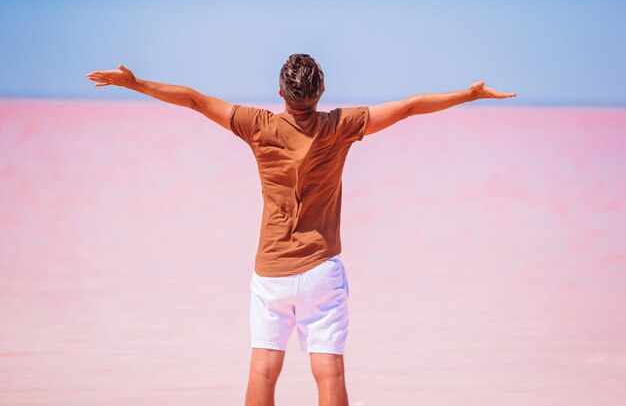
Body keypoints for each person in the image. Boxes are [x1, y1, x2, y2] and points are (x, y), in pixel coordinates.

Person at [86, 54, 516, 406]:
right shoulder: (340, 125)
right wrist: (468, 95)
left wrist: (136, 83)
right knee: (328, 371)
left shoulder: (258, 126)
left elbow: (196, 101)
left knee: (262, 371)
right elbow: (407, 107)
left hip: (271, 272)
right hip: (321, 270)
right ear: (321, 92)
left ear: (281, 94)